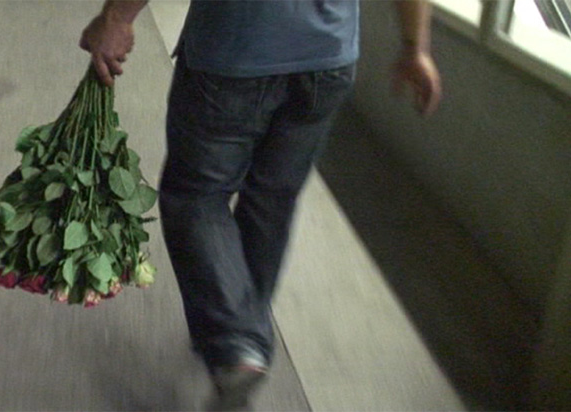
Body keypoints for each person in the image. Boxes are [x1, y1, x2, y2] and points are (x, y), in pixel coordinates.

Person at [80, 0, 441, 409]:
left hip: (235, 52)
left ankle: (237, 343)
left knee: (197, 198)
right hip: (327, 60)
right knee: (272, 200)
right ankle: (238, 344)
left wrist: (116, 18)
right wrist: (416, 47)